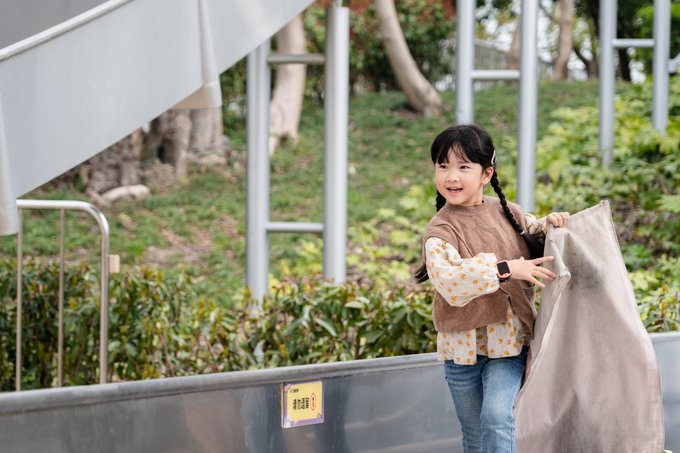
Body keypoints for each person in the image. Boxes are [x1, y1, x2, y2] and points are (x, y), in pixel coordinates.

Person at [414, 124, 569, 453]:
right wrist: (505, 268)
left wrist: (551, 224)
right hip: (461, 353)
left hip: (508, 346)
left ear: (486, 173)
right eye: (443, 166)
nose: (451, 177)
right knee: (474, 436)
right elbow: (450, 282)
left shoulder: (508, 213)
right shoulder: (439, 229)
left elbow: (535, 231)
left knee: (497, 418)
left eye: (463, 167)